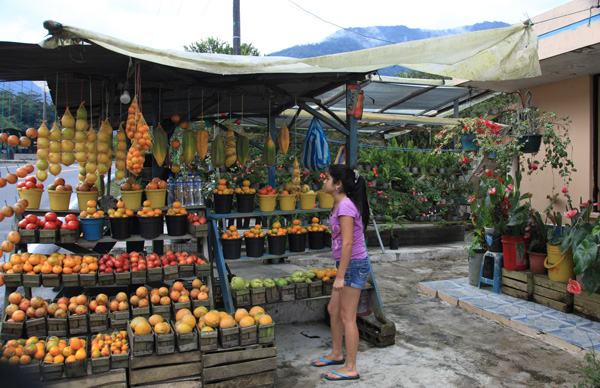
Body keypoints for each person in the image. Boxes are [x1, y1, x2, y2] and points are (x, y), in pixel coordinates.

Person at [312, 164, 370, 381]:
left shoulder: (345, 206)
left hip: (353, 266)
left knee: (347, 316)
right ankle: (337, 354)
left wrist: (339, 275)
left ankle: (351, 367)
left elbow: (347, 244)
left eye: (327, 179)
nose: (324, 182)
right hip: (347, 265)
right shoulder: (339, 204)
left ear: (338, 185)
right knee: (333, 310)